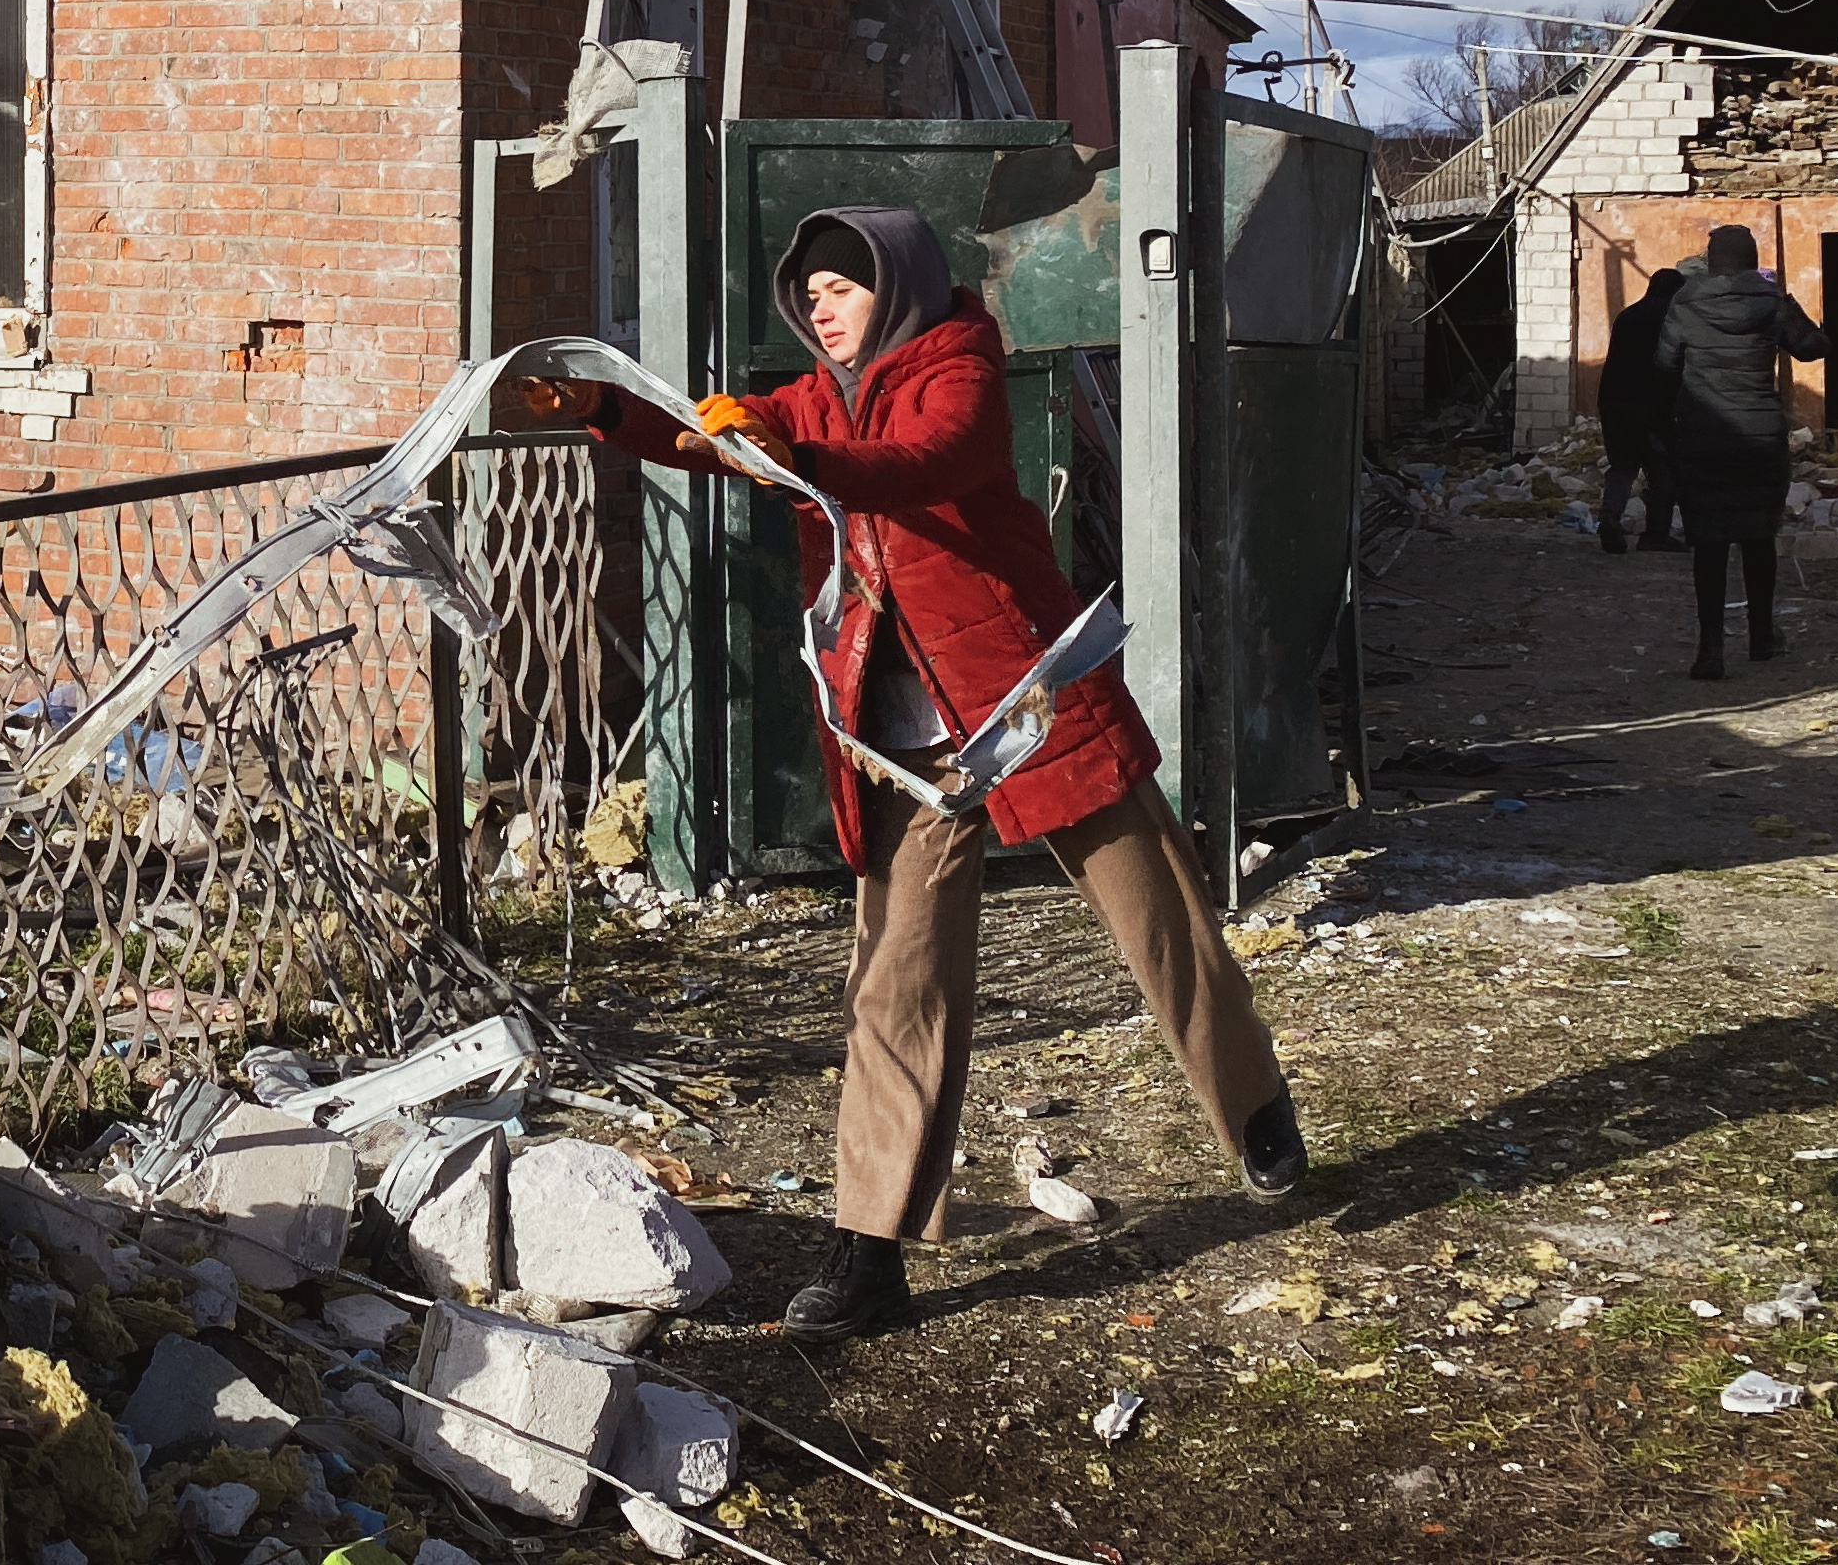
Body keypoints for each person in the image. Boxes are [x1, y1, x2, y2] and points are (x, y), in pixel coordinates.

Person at [512, 205, 1304, 1343]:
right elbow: (705, 437)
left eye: (843, 288)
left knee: (1159, 923)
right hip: (904, 742)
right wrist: (600, 409)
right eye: (811, 294)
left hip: (1027, 700)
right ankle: (868, 1250)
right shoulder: (809, 398)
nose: (822, 308)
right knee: (894, 983)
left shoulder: (959, 366)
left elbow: (932, 460)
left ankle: (1255, 1107)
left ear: (902, 286)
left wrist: (802, 458)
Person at [1654, 223, 1825, 680]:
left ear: (1712, 262)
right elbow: (1812, 349)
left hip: (1703, 436)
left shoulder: (1684, 304)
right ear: (1751, 261)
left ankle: (1710, 649)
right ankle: (1762, 636)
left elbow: (1664, 366)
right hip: (1760, 435)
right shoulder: (1771, 304)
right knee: (1757, 537)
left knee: (1709, 543)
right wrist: (1791, 306)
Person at [1595, 264, 1690, 554]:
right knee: (1663, 470)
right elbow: (1673, 367)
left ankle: (1610, 517)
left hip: (1612, 402)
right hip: (1649, 405)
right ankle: (1655, 534)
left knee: (1623, 466)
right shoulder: (1673, 319)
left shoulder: (1627, 316)